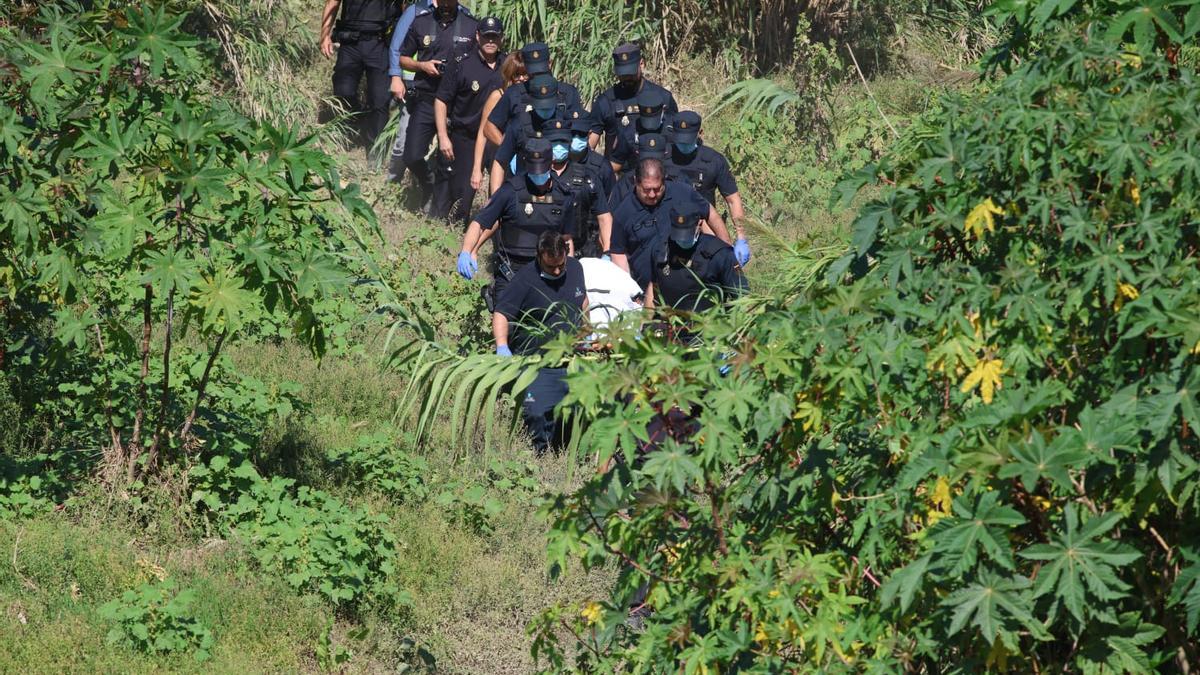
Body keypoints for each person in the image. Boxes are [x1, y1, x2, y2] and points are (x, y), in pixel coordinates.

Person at [493, 231, 588, 455]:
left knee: (577, 410)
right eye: (550, 267)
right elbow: (502, 313)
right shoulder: (525, 279)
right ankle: (539, 457)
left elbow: (583, 301)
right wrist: (502, 346)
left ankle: (566, 453)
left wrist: (587, 333)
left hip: (571, 358)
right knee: (537, 411)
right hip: (538, 362)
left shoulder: (576, 269)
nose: (556, 271)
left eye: (560, 266)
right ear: (539, 256)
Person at [457, 138, 578, 301]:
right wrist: (467, 250)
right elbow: (479, 223)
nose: (538, 175)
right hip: (511, 271)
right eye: (534, 171)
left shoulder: (564, 196)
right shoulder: (510, 191)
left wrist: (567, 273)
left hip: (548, 271)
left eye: (541, 170)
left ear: (551, 164)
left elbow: (566, 239)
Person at [397, 0, 477, 212]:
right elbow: (403, 58)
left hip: (454, 103)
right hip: (426, 98)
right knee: (411, 155)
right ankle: (428, 182)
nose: (445, 4)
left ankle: (442, 210)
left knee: (449, 161)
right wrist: (422, 65)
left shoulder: (470, 25)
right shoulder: (421, 22)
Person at [609, 157, 736, 290]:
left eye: (657, 189)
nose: (652, 195)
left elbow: (710, 214)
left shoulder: (682, 192)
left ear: (664, 181)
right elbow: (618, 253)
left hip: (689, 283)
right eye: (646, 190)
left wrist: (727, 249)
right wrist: (630, 290)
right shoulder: (623, 212)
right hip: (646, 291)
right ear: (636, 182)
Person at [433, 16, 505, 226]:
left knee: (500, 194)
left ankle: (496, 237)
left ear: (501, 38)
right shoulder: (462, 63)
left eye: (495, 36)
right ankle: (453, 233)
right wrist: (443, 136)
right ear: (477, 36)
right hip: (466, 138)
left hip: (496, 138)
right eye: (486, 36)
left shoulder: (507, 65)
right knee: (461, 201)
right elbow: (441, 100)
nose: (490, 40)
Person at [666, 111, 751, 267]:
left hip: (705, 230)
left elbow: (733, 200)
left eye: (688, 140)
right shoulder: (663, 158)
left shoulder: (713, 161)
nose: (684, 145)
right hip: (669, 229)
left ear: (700, 133)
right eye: (680, 140)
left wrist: (741, 237)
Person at [320, 0, 403, 154]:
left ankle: (375, 151)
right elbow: (332, 3)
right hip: (350, 42)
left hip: (380, 43)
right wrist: (324, 36)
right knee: (343, 92)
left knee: (379, 100)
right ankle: (355, 125)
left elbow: (405, 9)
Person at [482, 42, 585, 146]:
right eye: (533, 71)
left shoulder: (567, 93)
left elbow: (579, 130)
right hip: (525, 159)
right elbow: (489, 128)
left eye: (541, 70)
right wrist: (510, 150)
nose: (537, 75)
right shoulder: (514, 93)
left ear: (550, 63)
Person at [589, 43, 678, 162]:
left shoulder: (663, 97)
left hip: (655, 172)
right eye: (622, 74)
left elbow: (674, 138)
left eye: (630, 73)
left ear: (641, 64)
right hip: (618, 172)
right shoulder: (606, 101)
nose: (627, 78)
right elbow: (590, 146)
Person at [648, 208, 747, 312]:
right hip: (669, 324)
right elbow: (653, 289)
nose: (682, 239)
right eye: (678, 234)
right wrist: (645, 323)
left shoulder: (720, 254)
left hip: (708, 324)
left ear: (699, 224)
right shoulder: (661, 249)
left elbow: (743, 298)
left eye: (687, 234)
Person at [488, 74, 572, 193]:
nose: (545, 109)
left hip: (558, 192)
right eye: (541, 105)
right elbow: (500, 161)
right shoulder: (519, 124)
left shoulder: (565, 123)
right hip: (524, 192)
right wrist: (495, 197)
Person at [544, 119, 613, 259]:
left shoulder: (587, 176)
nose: (558, 147)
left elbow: (604, 217)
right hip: (543, 251)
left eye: (562, 142)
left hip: (582, 250)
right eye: (554, 143)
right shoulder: (535, 176)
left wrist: (607, 252)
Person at [470, 53, 527, 198]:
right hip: (500, 157)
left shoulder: (529, 96)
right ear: (509, 75)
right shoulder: (498, 95)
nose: (521, 79)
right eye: (517, 75)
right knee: (499, 198)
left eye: (524, 74)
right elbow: (484, 132)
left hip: (523, 157)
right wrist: (477, 168)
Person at [608, 88, 671, 175]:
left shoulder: (672, 130)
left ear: (663, 110)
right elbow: (615, 163)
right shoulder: (629, 131)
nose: (650, 127)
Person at [578, 257, 643, 329]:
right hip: (625, 328)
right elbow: (637, 294)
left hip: (594, 331)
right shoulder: (611, 269)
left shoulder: (581, 267)